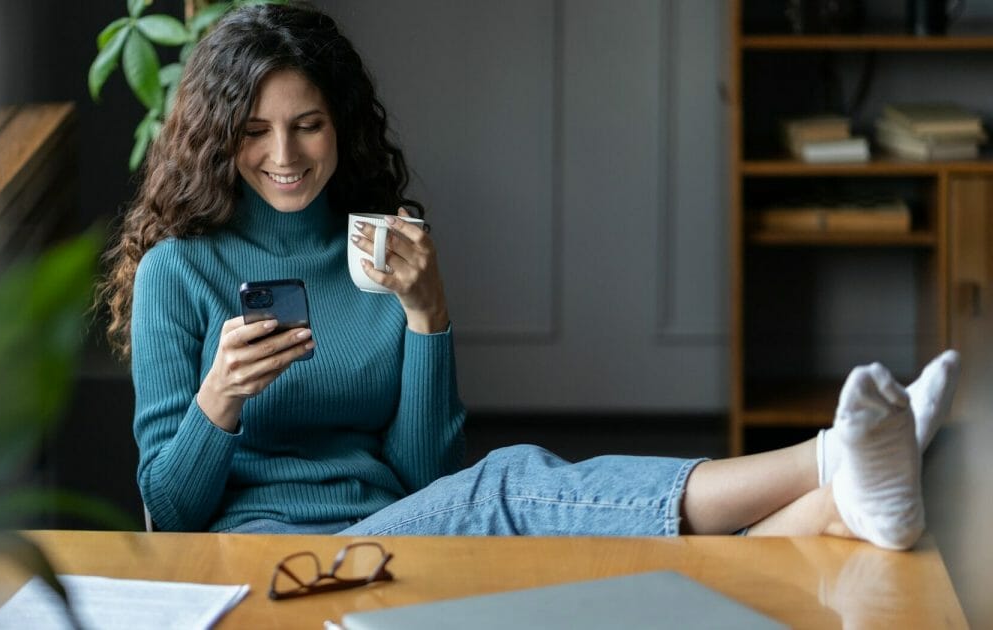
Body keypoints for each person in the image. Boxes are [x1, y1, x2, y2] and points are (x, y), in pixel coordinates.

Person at [97, 2, 961, 550]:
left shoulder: (381, 252)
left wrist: (429, 319)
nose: (284, 156)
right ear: (218, 137)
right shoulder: (183, 273)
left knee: (523, 506)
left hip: (394, 535)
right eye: (254, 130)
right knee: (512, 484)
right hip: (275, 560)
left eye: (308, 125)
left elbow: (425, 477)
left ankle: (848, 504)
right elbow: (170, 516)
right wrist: (218, 402)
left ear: (341, 127)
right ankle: (829, 458)